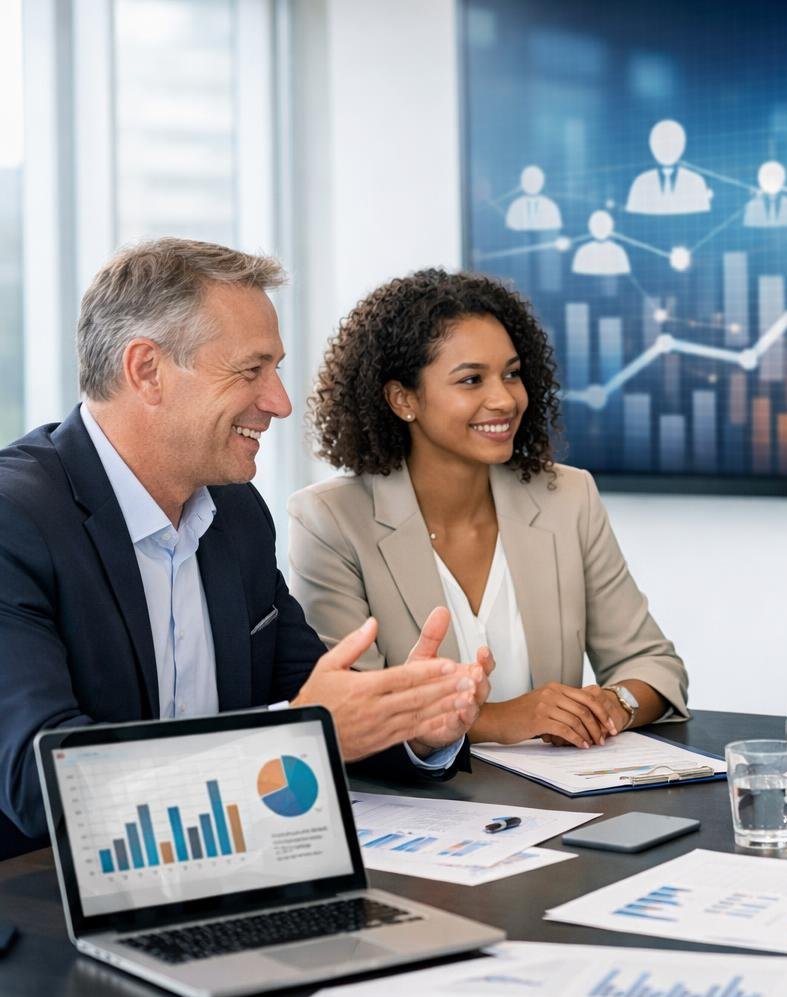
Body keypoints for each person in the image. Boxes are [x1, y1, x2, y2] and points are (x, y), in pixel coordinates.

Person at [0, 239, 489, 850]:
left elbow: (305, 695)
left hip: (231, 867)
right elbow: (38, 780)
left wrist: (410, 720)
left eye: (276, 370)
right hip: (49, 907)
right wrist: (298, 737)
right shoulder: (14, 519)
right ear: (147, 369)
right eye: (251, 370)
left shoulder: (235, 512)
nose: (279, 402)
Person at [289, 269, 687, 750]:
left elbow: (653, 664)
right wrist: (501, 720)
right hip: (420, 809)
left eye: (512, 374)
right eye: (471, 379)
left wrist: (612, 705)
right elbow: (357, 714)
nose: (504, 399)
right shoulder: (331, 521)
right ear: (403, 399)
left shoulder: (567, 497)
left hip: (560, 805)